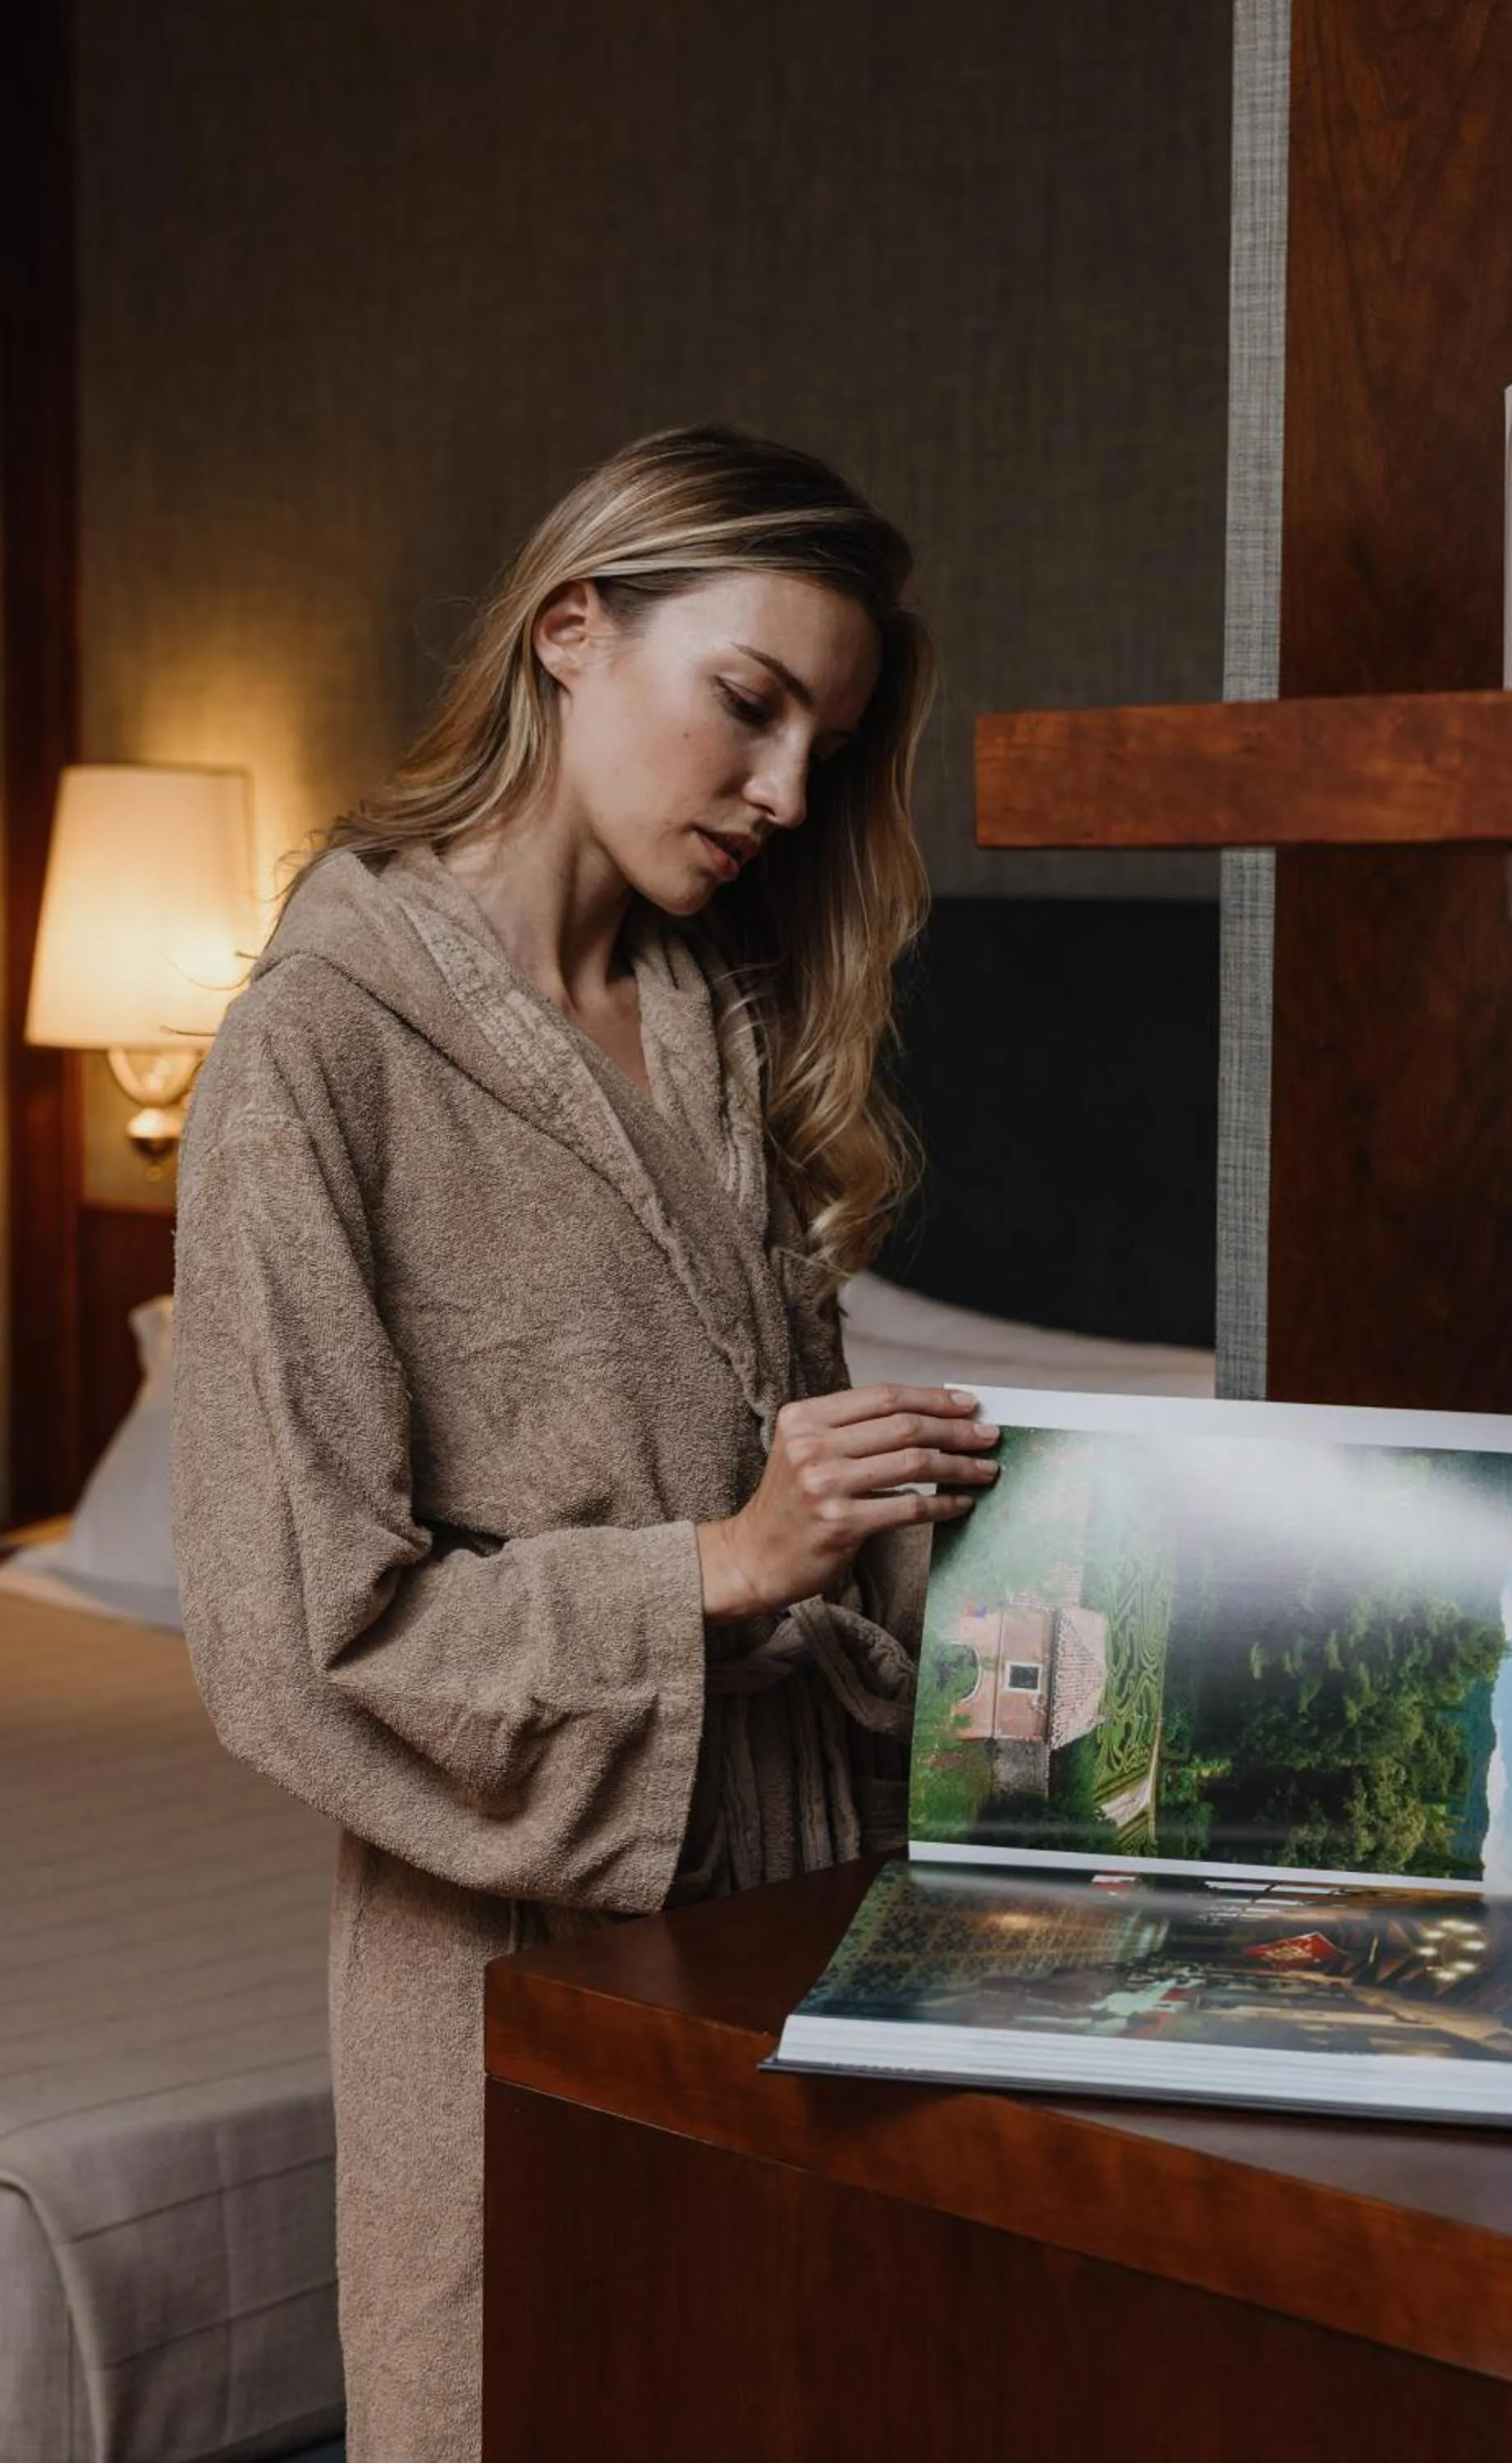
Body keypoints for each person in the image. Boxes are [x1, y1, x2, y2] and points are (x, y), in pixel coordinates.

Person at [170, 423, 1002, 2463]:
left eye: (822, 745)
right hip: (515, 1963)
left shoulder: (721, 1025)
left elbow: (807, 1517)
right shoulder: (316, 1052)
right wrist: (715, 1567)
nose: (784, 792)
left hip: (802, 1920)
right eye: (748, 703)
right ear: (569, 629)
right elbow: (297, 1639)